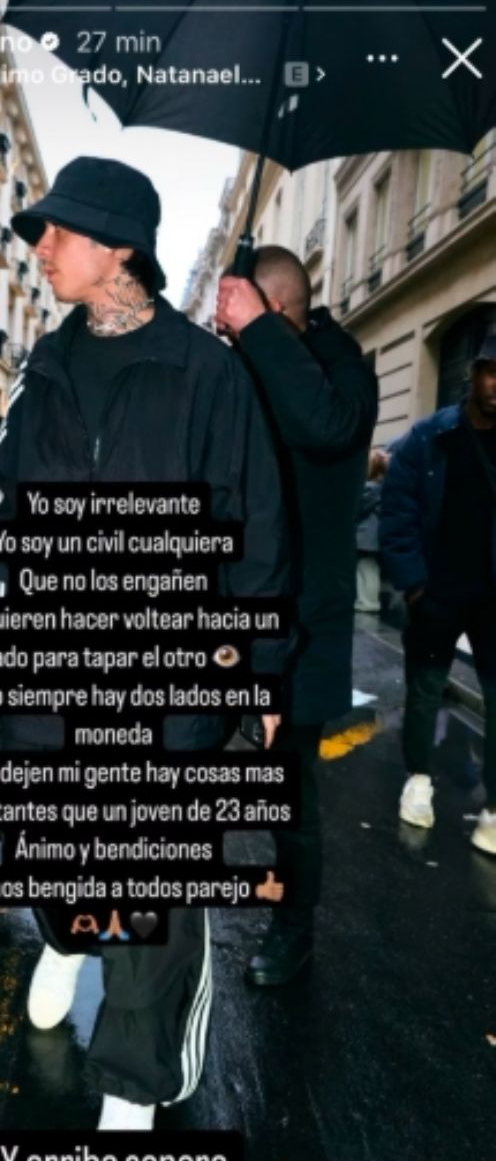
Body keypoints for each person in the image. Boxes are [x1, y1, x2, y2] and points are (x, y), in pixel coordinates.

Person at [0, 157, 289, 1129]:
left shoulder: (208, 375)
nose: (40, 249)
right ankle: (70, 932)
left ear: (119, 248)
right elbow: (7, 506)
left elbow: (257, 529)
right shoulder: (44, 368)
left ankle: (133, 1077)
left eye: (58, 231)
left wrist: (261, 674)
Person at [215, 246, 379, 986]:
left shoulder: (344, 368)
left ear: (275, 309)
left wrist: (255, 330)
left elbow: (325, 426)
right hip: (233, 612)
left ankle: (293, 929)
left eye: (242, 317)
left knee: (286, 790)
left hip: (304, 622)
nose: (230, 330)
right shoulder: (249, 365)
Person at [379, 334, 496, 853]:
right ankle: (419, 779)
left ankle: (493, 809)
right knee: (425, 691)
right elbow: (398, 510)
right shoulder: (430, 436)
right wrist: (414, 586)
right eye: (493, 372)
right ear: (473, 373)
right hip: (437, 592)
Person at [355, 449, 389, 613]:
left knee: (366, 569)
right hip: (373, 536)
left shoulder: (370, 488)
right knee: (368, 569)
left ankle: (368, 602)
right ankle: (366, 600)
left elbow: (358, 509)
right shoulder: (383, 487)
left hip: (366, 536)